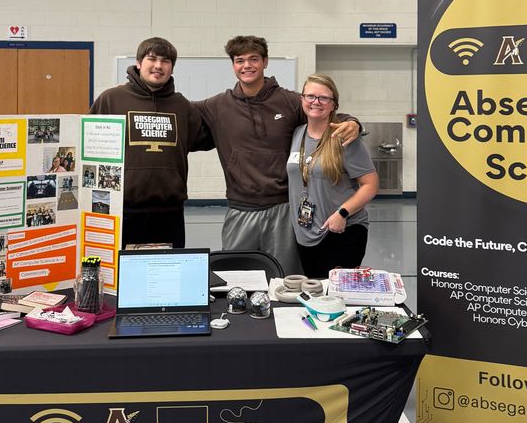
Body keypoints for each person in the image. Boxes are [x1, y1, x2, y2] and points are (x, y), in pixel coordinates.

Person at [195, 36, 360, 274]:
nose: (247, 65)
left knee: (285, 278)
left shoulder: (290, 101)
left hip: (283, 209)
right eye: (239, 60)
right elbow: (180, 111)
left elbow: (326, 113)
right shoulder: (217, 105)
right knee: (236, 278)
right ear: (233, 65)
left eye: (254, 59)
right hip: (240, 209)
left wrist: (353, 122)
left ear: (265, 62)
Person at [90, 36, 213, 249]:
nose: (158, 66)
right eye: (152, 59)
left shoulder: (181, 106)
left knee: (165, 276)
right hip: (121, 210)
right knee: (120, 277)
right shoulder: (111, 99)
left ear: (172, 68)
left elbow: (203, 139)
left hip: (169, 211)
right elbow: (89, 146)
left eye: (165, 61)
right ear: (139, 63)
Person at [287, 74, 378, 278]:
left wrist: (342, 213)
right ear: (302, 99)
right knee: (316, 292)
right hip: (306, 231)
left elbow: (370, 184)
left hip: (342, 231)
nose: (316, 102)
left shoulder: (346, 138)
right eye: (310, 96)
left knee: (336, 297)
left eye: (323, 98)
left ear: (334, 104)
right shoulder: (297, 134)